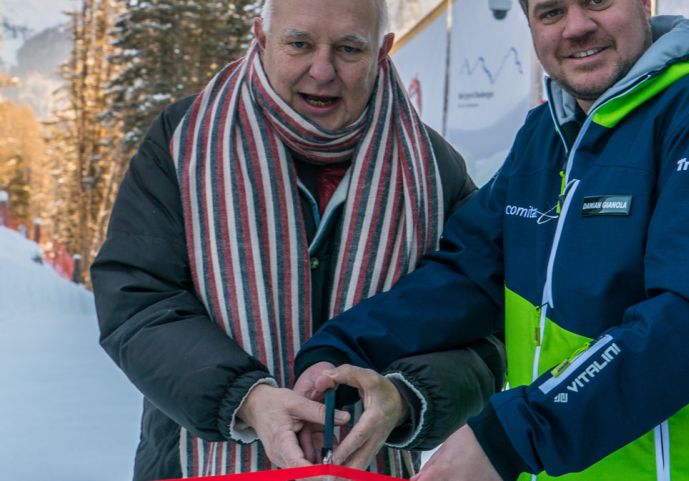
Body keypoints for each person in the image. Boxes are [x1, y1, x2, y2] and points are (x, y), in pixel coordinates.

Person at [295, 1, 689, 480]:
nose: (575, 27)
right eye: (551, 11)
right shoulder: (547, 133)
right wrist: (341, 349)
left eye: (597, 2)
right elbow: (467, 274)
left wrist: (509, 437)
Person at [90, 0, 505, 479]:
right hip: (193, 463)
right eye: (299, 44)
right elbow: (137, 297)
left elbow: (484, 329)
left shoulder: (433, 167)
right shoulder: (184, 141)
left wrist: (406, 396)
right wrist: (246, 399)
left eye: (349, 49)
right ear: (262, 38)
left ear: (382, 52)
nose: (322, 71)